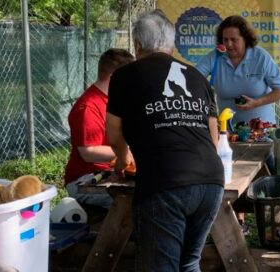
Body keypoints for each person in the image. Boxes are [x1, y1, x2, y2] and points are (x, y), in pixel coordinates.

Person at [106, 9, 224, 271]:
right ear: (171, 45)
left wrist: (123, 160)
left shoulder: (124, 76)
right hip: (211, 181)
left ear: (137, 44)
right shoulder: (195, 76)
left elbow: (113, 133)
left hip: (165, 182)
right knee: (189, 263)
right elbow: (213, 140)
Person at [63, 48, 134, 209]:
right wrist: (129, 153)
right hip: (83, 180)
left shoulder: (115, 100)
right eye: (131, 78)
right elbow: (88, 153)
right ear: (117, 77)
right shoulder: (89, 106)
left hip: (113, 173)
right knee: (136, 201)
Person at [195, 15, 280, 125]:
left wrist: (256, 103)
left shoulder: (261, 57)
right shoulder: (214, 57)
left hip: (261, 130)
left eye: (234, 40)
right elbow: (194, 77)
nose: (229, 44)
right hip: (227, 130)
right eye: (225, 39)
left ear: (245, 39)